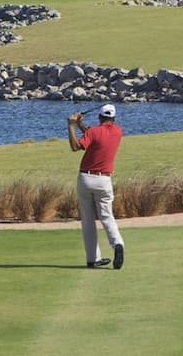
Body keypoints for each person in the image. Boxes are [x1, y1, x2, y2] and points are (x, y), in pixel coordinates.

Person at [67, 103, 125, 269]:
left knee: (88, 220)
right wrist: (80, 124)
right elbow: (92, 135)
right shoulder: (118, 131)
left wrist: (71, 125)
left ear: (100, 117)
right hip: (104, 180)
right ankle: (117, 243)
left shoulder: (94, 131)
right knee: (107, 216)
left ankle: (93, 259)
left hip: (86, 179)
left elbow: (75, 146)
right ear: (113, 118)